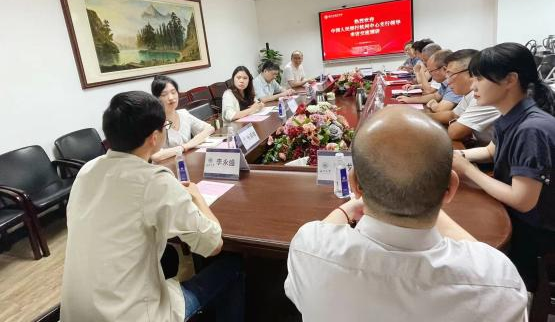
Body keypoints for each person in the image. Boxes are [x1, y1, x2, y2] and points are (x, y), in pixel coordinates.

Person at [285, 106, 527, 322]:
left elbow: (318, 236)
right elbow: (482, 259)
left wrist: (348, 207)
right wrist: (429, 195)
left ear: (355, 185)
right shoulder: (497, 280)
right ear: (450, 189)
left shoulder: (308, 248)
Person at [60, 91, 244, 322]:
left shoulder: (88, 170)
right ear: (154, 137)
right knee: (232, 265)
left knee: (168, 257)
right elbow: (213, 244)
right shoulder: (154, 180)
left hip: (76, 312)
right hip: (130, 316)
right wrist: (196, 196)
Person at [452, 42, 555, 290]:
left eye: (479, 78)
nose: (473, 86)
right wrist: (457, 156)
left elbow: (522, 200)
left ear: (510, 79)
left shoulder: (532, 129)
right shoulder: (512, 114)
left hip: (535, 229)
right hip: (520, 215)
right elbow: (491, 150)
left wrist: (467, 170)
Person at [429, 49, 500, 146]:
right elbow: (453, 115)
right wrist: (422, 116)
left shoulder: (486, 95)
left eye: (450, 74)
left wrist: (458, 121)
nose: (448, 81)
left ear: (470, 73)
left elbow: (454, 132)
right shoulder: (469, 94)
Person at [150, 75, 214, 162]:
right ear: (156, 99)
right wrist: (184, 147)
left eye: (173, 92)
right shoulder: (155, 122)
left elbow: (209, 128)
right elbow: (155, 156)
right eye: (164, 94)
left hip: (187, 162)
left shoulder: (183, 114)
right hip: (166, 167)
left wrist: (193, 142)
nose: (171, 98)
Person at [396, 50, 462, 112]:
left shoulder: (455, 83)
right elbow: (435, 96)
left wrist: (433, 104)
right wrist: (409, 100)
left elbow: (440, 109)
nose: (430, 74)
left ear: (444, 69)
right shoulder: (445, 82)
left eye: (431, 71)